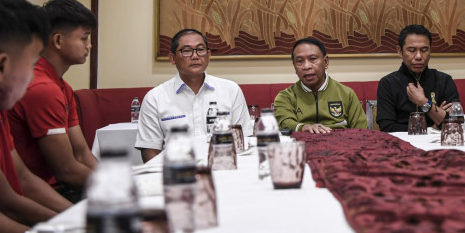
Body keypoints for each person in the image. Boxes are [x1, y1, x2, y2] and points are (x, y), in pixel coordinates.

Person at [9, 0, 98, 203]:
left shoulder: (62, 87)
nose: (89, 45)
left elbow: (82, 154)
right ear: (58, 41)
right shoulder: (42, 88)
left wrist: (117, 184)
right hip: (38, 194)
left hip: (58, 188)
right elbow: (67, 170)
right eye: (84, 38)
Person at [0, 0, 69, 233]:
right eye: (31, 64)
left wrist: (76, 224)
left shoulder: (0, 109)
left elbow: (14, 190)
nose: (32, 77)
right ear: (1, 66)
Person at [135, 28, 249, 163]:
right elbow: (150, 150)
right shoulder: (155, 98)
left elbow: (244, 140)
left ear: (209, 55)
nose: (195, 56)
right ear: (172, 58)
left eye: (200, 50)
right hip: (177, 173)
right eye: (187, 51)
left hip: (224, 167)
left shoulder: (231, 90)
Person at [273, 37, 368, 133]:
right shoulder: (285, 97)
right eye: (300, 61)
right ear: (294, 66)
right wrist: (304, 127)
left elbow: (362, 130)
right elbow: (285, 124)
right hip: (302, 145)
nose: (306, 66)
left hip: (341, 146)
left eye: (313, 59)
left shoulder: (347, 94)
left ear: (326, 62)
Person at [377, 24, 459, 132]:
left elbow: (455, 123)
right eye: (412, 50)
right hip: (400, 145)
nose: (419, 56)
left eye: (424, 50)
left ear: (430, 50)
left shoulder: (444, 81)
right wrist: (432, 128)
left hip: (439, 145)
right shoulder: (388, 83)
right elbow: (387, 127)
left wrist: (423, 102)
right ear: (399, 51)